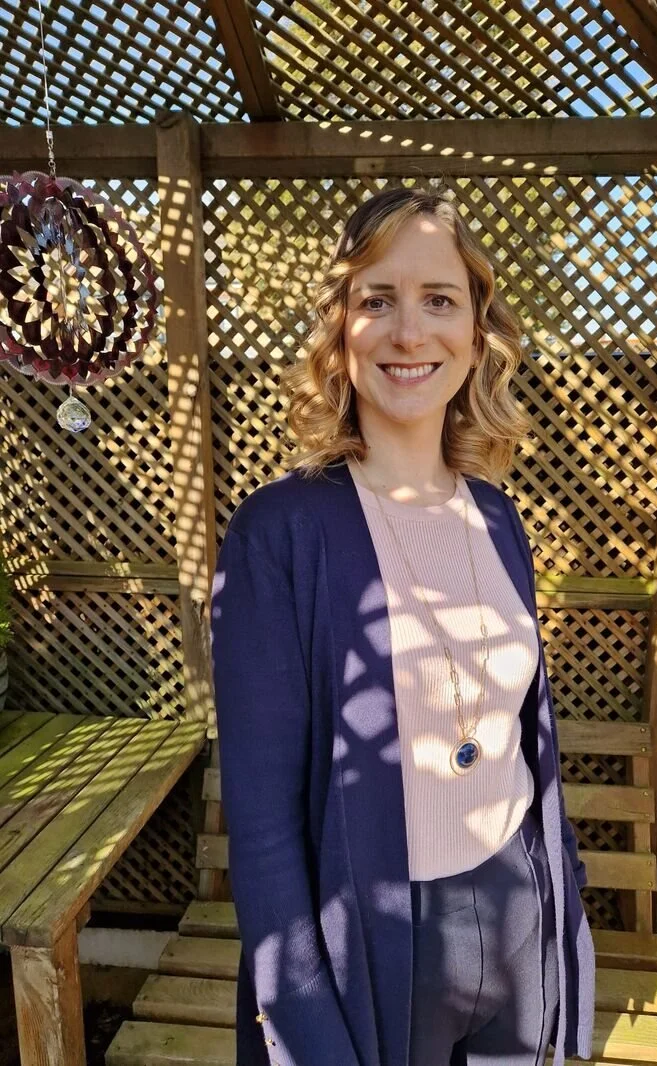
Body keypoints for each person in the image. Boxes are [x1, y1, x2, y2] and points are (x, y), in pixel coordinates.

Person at [210, 183, 595, 1066]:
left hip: (514, 917)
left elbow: (524, 737)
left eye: (439, 301)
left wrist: (562, 898)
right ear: (341, 330)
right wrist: (302, 1025)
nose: (409, 332)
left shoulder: (498, 518)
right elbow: (264, 826)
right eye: (377, 299)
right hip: (381, 936)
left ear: (475, 331)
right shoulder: (279, 531)